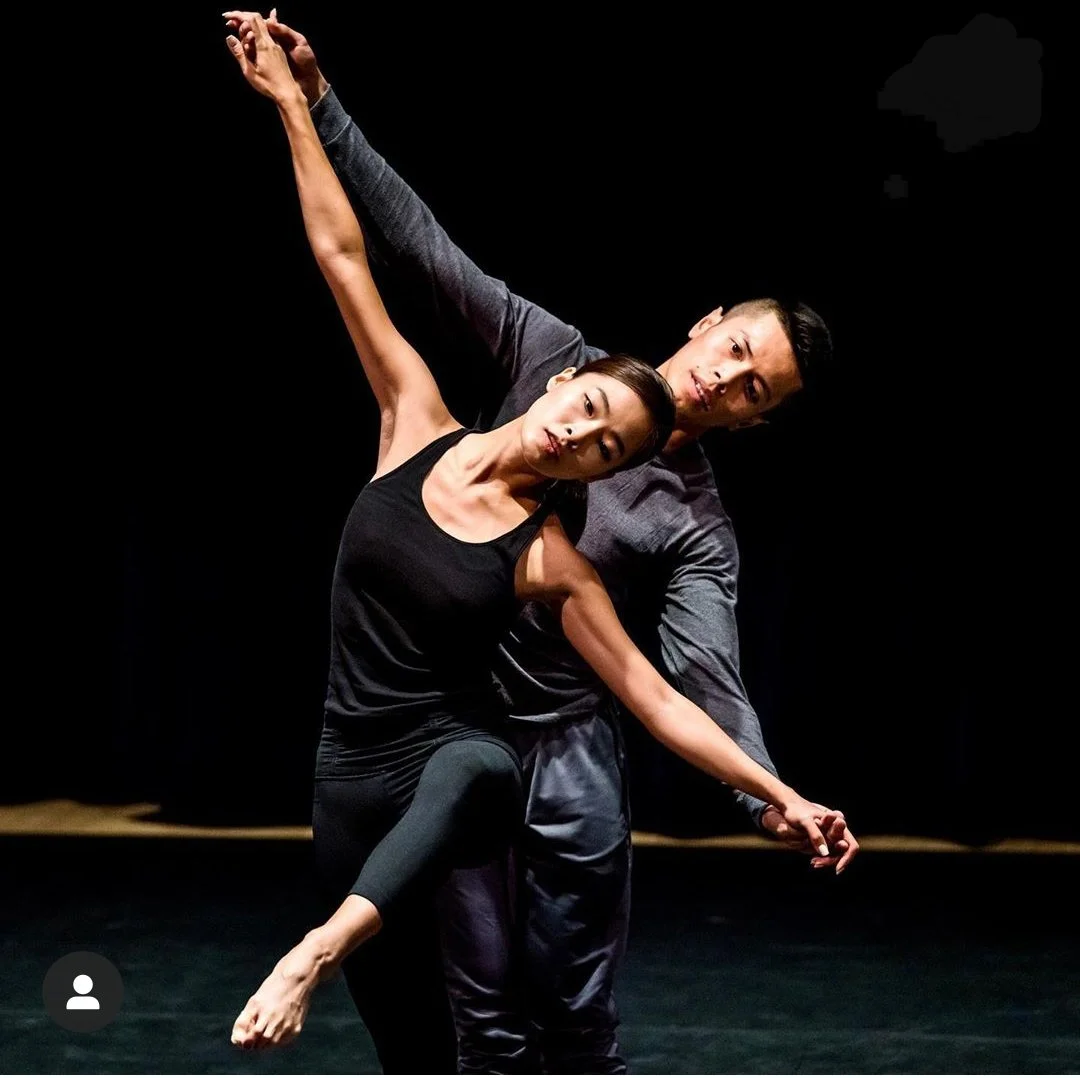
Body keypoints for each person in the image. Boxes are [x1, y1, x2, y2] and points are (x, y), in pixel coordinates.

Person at [223, 14, 839, 1068]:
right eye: (734, 349)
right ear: (708, 320)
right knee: (458, 1020)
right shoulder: (511, 372)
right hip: (432, 734)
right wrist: (309, 103)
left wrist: (769, 793)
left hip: (550, 745)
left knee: (572, 1008)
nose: (725, 378)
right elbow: (391, 247)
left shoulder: (654, 530)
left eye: (753, 388)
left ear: (755, 420)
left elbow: (683, 685)